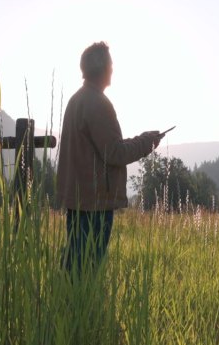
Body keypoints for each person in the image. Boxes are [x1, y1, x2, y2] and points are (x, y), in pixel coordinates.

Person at [56, 41, 162, 278]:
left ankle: (68, 305)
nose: (113, 69)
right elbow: (114, 153)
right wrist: (147, 143)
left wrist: (143, 138)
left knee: (75, 263)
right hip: (95, 201)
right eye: (111, 64)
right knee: (87, 268)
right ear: (103, 68)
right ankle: (84, 310)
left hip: (79, 197)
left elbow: (105, 147)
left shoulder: (77, 100)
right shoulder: (98, 104)